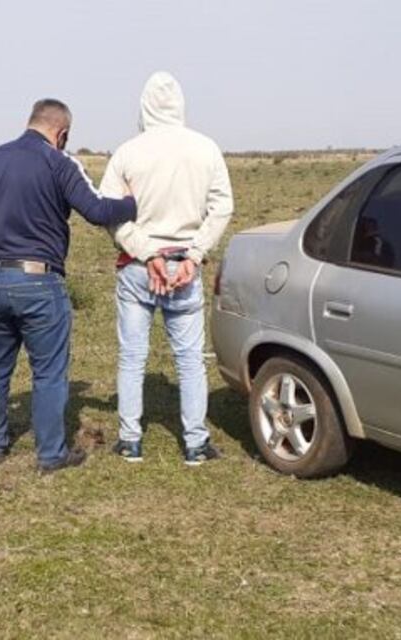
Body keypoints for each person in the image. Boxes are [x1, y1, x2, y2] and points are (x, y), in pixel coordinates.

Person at [0, 99, 137, 474]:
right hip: (39, 279)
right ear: (61, 133)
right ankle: (51, 454)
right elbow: (98, 211)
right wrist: (132, 204)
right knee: (49, 370)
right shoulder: (60, 162)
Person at [99, 72, 234, 465]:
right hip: (184, 269)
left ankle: (130, 440)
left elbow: (110, 213)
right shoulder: (206, 149)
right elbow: (222, 207)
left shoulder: (127, 152)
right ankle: (195, 443)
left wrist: (147, 253)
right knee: (190, 360)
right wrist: (193, 255)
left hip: (138, 269)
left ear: (143, 107)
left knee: (132, 356)